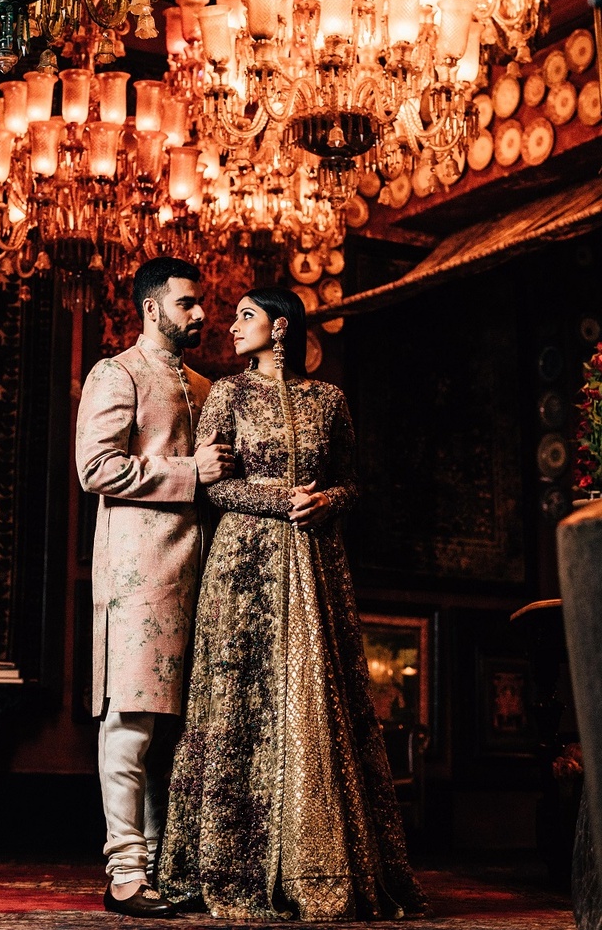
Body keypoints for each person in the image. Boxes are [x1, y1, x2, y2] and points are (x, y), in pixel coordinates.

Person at [159, 287, 427, 922]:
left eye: (246, 316)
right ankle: (228, 865)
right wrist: (286, 500)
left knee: (315, 695)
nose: (232, 326)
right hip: (242, 566)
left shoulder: (327, 400)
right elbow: (215, 484)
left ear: (281, 327)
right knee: (238, 699)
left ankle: (322, 863)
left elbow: (352, 482)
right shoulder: (226, 394)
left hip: (315, 565)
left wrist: (329, 501)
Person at [75, 256, 234, 919]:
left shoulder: (204, 383)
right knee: (131, 724)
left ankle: (165, 866)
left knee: (179, 734)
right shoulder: (117, 373)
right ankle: (124, 874)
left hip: (202, 576)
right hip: (137, 576)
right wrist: (190, 472)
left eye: (202, 304)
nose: (201, 314)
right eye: (188, 303)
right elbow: (95, 467)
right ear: (150, 308)